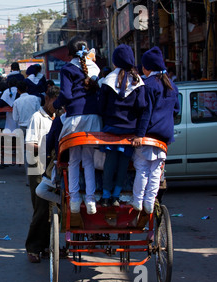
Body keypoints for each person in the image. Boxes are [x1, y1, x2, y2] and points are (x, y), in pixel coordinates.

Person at [52, 36, 102, 214]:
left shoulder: (67, 69)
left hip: (75, 118)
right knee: (88, 160)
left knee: (73, 159)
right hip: (95, 118)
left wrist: (57, 105)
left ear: (69, 53)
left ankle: (74, 199)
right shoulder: (95, 68)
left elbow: (65, 94)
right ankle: (90, 200)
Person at [130, 47, 180, 214]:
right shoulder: (172, 85)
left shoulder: (148, 85)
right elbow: (176, 110)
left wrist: (139, 135)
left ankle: (138, 202)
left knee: (142, 169)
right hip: (164, 138)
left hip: (149, 135)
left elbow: (146, 112)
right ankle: (150, 203)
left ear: (147, 68)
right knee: (155, 172)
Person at [98, 44, 147, 207]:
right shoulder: (138, 82)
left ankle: (105, 196)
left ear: (115, 61)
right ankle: (117, 196)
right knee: (124, 164)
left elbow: (101, 107)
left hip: (111, 130)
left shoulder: (108, 80)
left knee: (110, 163)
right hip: (130, 133)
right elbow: (142, 108)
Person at [24, 86, 57, 263]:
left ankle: (48, 245)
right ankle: (33, 247)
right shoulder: (37, 117)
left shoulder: (58, 116)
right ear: (47, 99)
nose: (56, 107)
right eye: (54, 103)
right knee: (41, 207)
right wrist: (48, 148)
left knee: (54, 208)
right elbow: (29, 144)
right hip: (37, 165)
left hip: (52, 165)